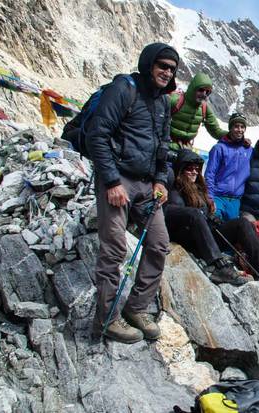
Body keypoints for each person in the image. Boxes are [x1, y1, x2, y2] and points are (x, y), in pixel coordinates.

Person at [85, 43, 178, 343]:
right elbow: (97, 134)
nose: (167, 72)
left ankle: (135, 308)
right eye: (162, 65)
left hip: (147, 185)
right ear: (149, 63)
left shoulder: (163, 103)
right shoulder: (123, 89)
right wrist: (111, 181)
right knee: (113, 249)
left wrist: (161, 181)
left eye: (172, 69)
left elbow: (163, 147)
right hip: (118, 179)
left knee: (160, 243)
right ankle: (107, 319)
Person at [165, 150, 259, 284]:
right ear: (181, 170)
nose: (194, 172)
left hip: (206, 237)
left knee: (242, 223)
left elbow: (203, 216)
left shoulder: (198, 189)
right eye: (189, 169)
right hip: (189, 240)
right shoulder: (174, 190)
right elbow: (176, 215)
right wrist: (202, 216)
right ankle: (218, 267)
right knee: (195, 214)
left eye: (197, 169)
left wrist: (212, 219)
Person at [205, 113, 252, 221]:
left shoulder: (249, 150)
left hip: (236, 201)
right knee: (215, 227)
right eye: (236, 126)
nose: (239, 129)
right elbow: (210, 174)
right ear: (230, 128)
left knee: (231, 234)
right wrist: (210, 197)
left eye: (242, 127)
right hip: (218, 197)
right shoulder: (219, 148)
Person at [169, 73, 228, 148]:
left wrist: (236, 136)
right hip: (166, 145)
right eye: (201, 90)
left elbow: (216, 131)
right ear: (193, 89)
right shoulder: (175, 100)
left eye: (207, 92)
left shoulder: (204, 108)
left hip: (186, 149)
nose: (204, 94)